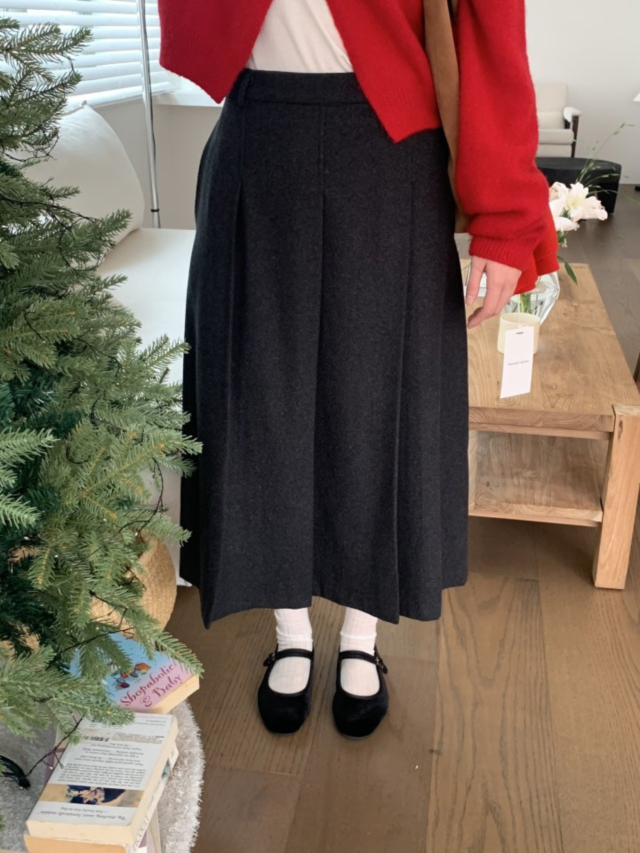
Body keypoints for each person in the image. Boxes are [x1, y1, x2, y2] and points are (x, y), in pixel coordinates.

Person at [157, 0, 558, 739]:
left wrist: (506, 219)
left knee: (379, 401)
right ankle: (291, 633)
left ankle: (360, 638)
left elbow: (489, 26)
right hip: (256, 133)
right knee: (256, 398)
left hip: (390, 143)